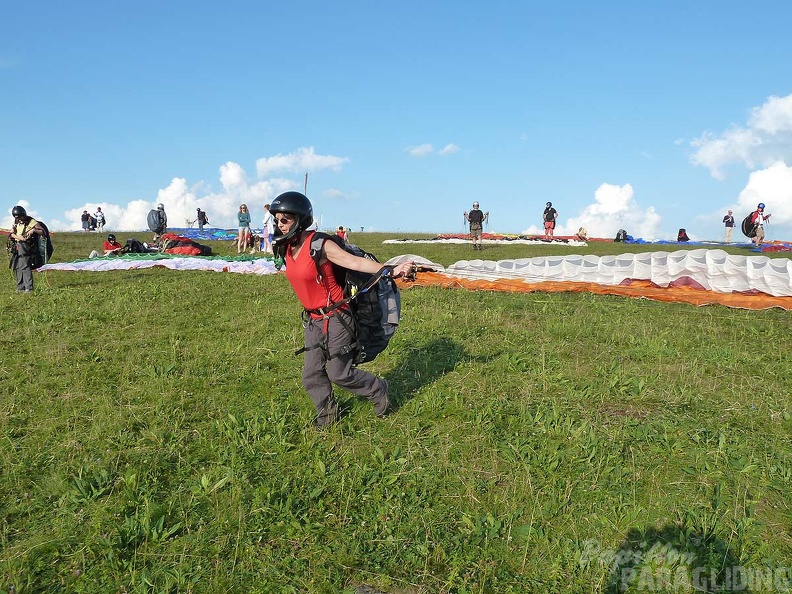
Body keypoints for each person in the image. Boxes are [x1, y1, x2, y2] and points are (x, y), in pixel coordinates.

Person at [269, 191, 415, 428]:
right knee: (311, 374)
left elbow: (354, 262)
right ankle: (327, 415)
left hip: (336, 318)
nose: (279, 225)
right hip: (313, 321)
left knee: (339, 373)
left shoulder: (319, 244)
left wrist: (391, 269)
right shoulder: (287, 247)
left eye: (284, 220)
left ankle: (378, 388)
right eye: (277, 220)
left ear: (299, 219)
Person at [8, 205, 45, 293]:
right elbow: (12, 234)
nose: (19, 219)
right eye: (17, 218)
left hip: (26, 245)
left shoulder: (32, 221)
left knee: (24, 266)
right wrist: (14, 234)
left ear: (23, 214)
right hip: (17, 245)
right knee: (17, 266)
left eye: (20, 217)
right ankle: (20, 287)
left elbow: (42, 232)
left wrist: (33, 230)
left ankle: (29, 288)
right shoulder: (17, 222)